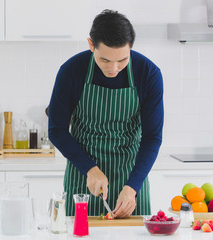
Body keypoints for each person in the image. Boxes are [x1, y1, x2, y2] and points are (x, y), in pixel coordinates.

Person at [48, 9, 163, 218]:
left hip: (131, 177)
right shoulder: (71, 71)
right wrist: (90, 169)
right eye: (105, 60)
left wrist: (132, 187)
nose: (114, 69)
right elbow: (57, 130)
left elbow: (152, 138)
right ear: (91, 45)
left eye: (122, 60)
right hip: (83, 178)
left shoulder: (149, 74)